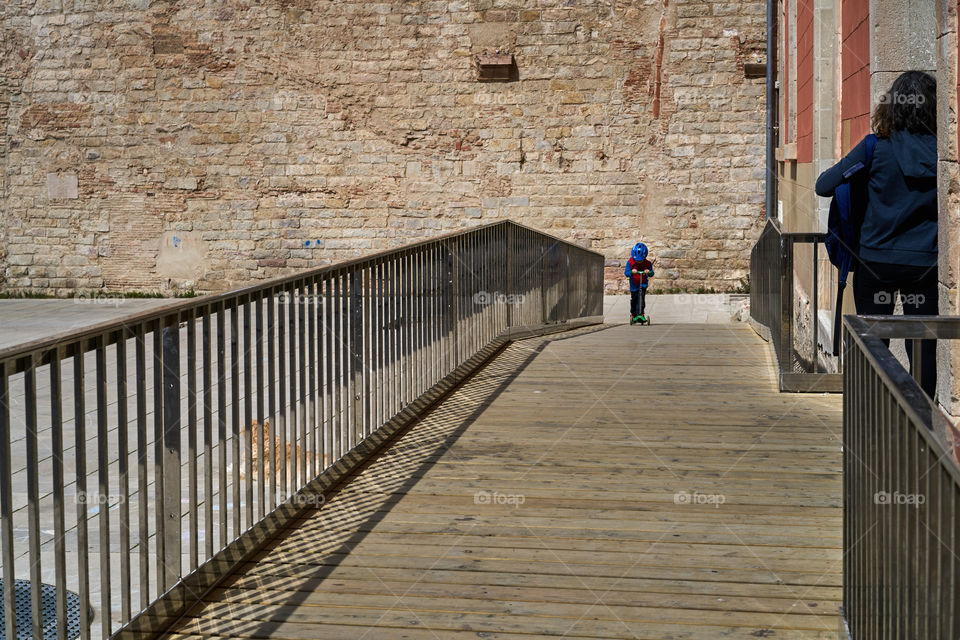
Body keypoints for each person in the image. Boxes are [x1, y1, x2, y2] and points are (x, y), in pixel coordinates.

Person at [815, 70, 938, 398]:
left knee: (874, 343)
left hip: (875, 262)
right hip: (925, 265)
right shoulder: (943, 153)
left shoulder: (874, 147)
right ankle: (921, 423)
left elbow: (823, 185)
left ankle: (873, 415)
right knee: (922, 344)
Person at [625, 242, 654, 324]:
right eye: (636, 260)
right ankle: (634, 314)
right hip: (634, 285)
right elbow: (626, 273)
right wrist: (631, 272)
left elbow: (652, 274)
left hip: (643, 284)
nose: (638, 262)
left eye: (640, 260)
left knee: (641, 299)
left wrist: (649, 271)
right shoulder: (630, 262)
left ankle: (641, 314)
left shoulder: (648, 263)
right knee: (634, 300)